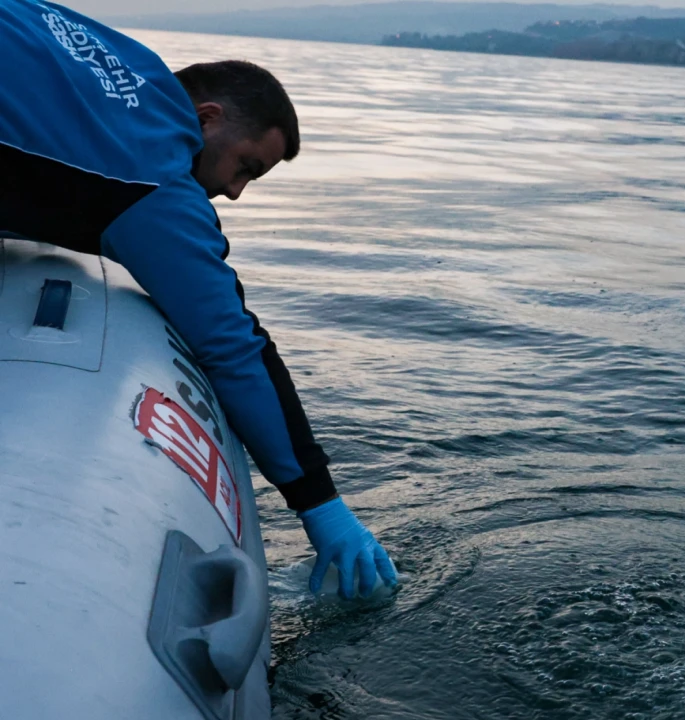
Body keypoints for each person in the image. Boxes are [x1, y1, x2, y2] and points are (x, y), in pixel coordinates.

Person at [0, 0, 396, 599]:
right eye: (245, 167)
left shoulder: (132, 62)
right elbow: (234, 349)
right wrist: (320, 506)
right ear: (208, 118)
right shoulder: (153, 178)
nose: (234, 192)